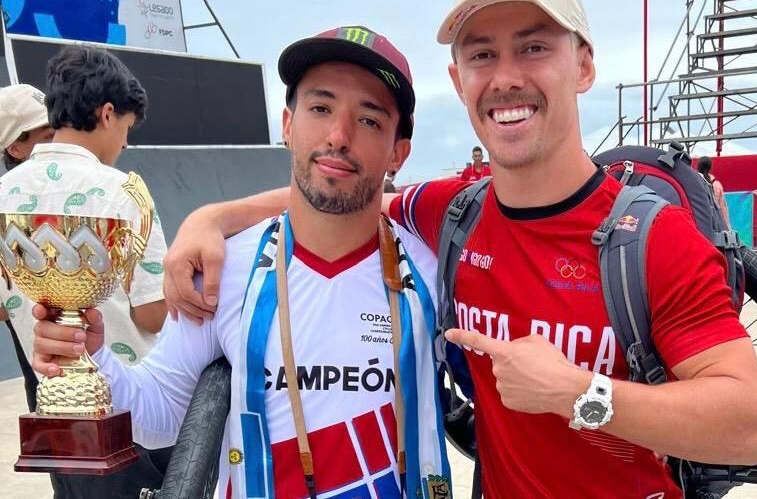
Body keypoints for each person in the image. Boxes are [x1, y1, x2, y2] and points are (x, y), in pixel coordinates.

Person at [161, 0, 757, 499]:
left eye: (533, 47)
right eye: (482, 54)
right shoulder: (451, 212)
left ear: (583, 65)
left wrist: (579, 394)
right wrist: (210, 219)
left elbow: (748, 427)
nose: (505, 76)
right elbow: (340, 189)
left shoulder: (651, 240)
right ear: (458, 80)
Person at [31, 27, 452, 499]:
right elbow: (159, 416)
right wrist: (92, 356)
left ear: (399, 151)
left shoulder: (436, 270)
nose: (338, 136)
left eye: (370, 120)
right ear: (289, 124)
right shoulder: (224, 267)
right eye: (321, 108)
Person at [0, 46, 171, 499]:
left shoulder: (3, 193)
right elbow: (152, 314)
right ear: (109, 113)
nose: (125, 144)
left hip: (58, 417)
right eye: (128, 129)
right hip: (132, 411)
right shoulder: (124, 191)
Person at [0, 83, 55, 412]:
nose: (60, 143)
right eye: (46, 137)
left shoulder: (92, 189)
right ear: (15, 149)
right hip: (48, 386)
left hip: (124, 378)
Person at [697, 156, 730, 226]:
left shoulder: (694, 182)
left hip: (699, 222)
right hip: (715, 224)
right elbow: (722, 207)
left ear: (698, 167)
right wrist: (726, 225)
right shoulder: (717, 185)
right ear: (710, 168)